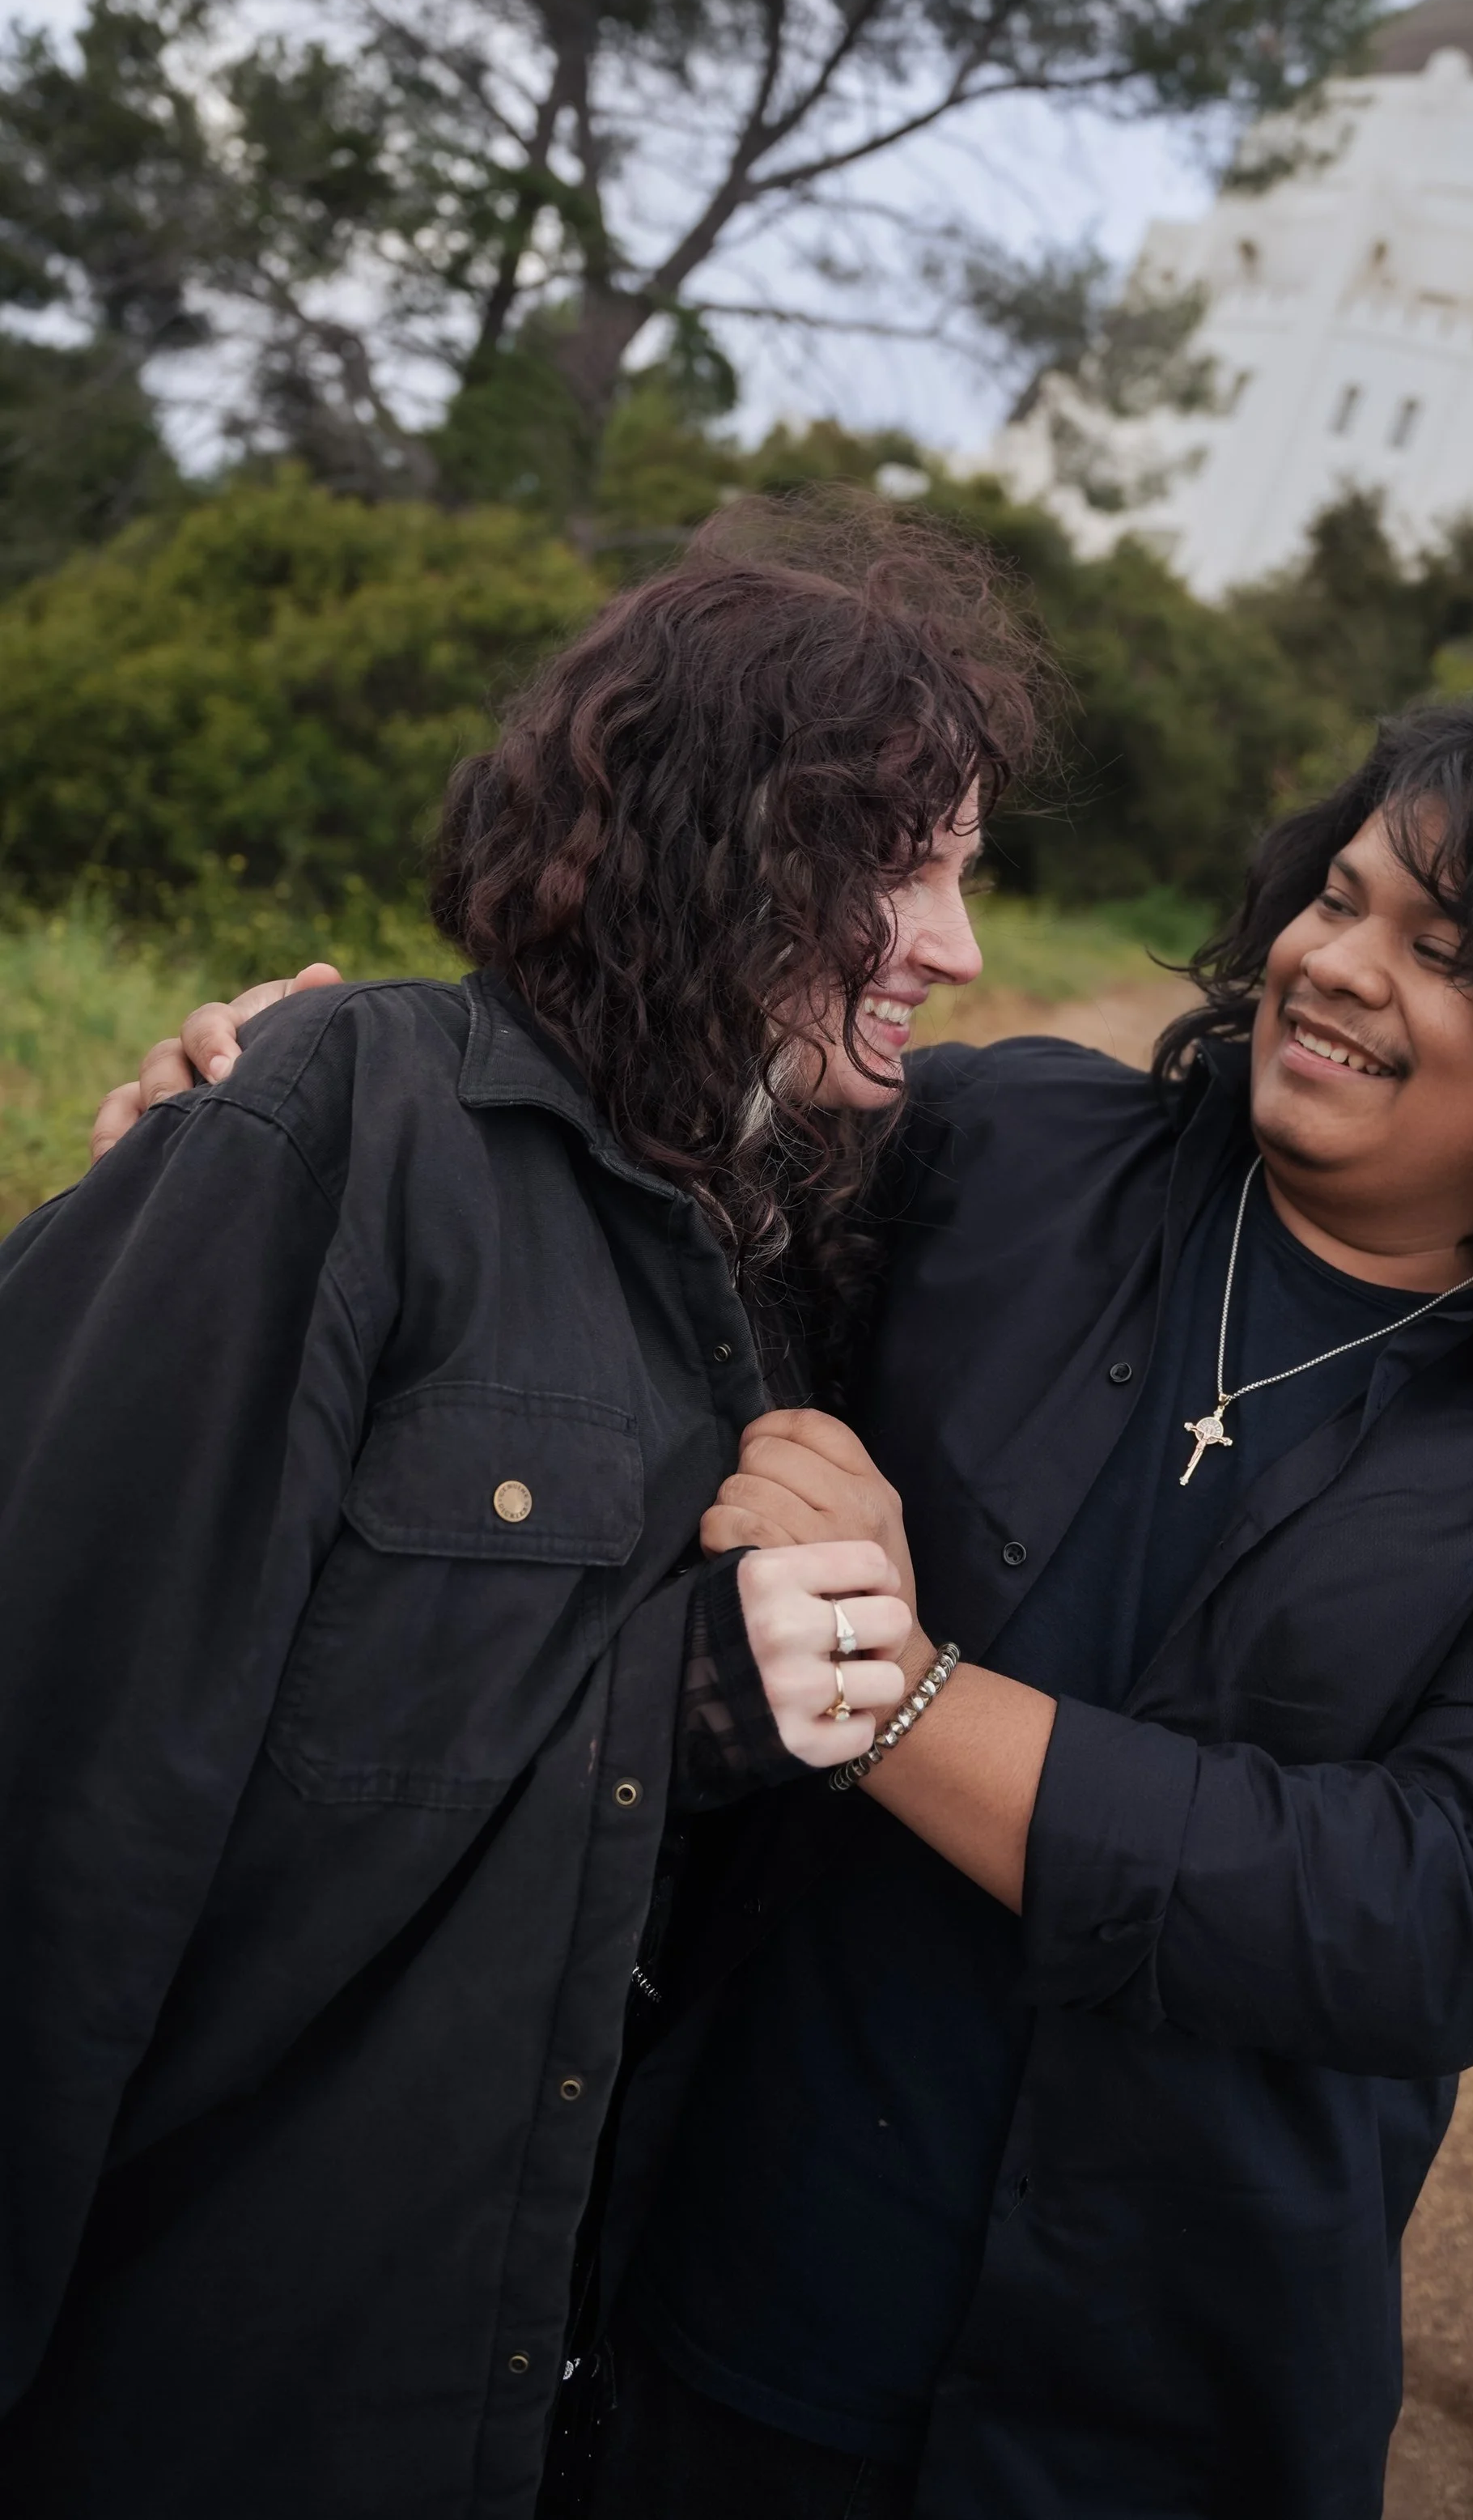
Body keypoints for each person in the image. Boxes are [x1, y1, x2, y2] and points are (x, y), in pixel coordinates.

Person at [110, 698, 1473, 2520]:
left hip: (1145, 2412)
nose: (1337, 969)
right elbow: (606, 1160)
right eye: (1341, 899)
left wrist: (897, 1700)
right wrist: (300, 1113)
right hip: (697, 2294)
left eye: (1439, 953)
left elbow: (1441, 1913)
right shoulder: (1006, 1148)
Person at [0, 504, 1042, 2518]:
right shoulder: (339, 1120)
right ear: (714, 839)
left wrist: (749, 1699)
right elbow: (57, 1792)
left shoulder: (787, 1248)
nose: (958, 947)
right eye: (897, 868)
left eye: (968, 874)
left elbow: (543, 1738)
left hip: (475, 2380)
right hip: (176, 2360)